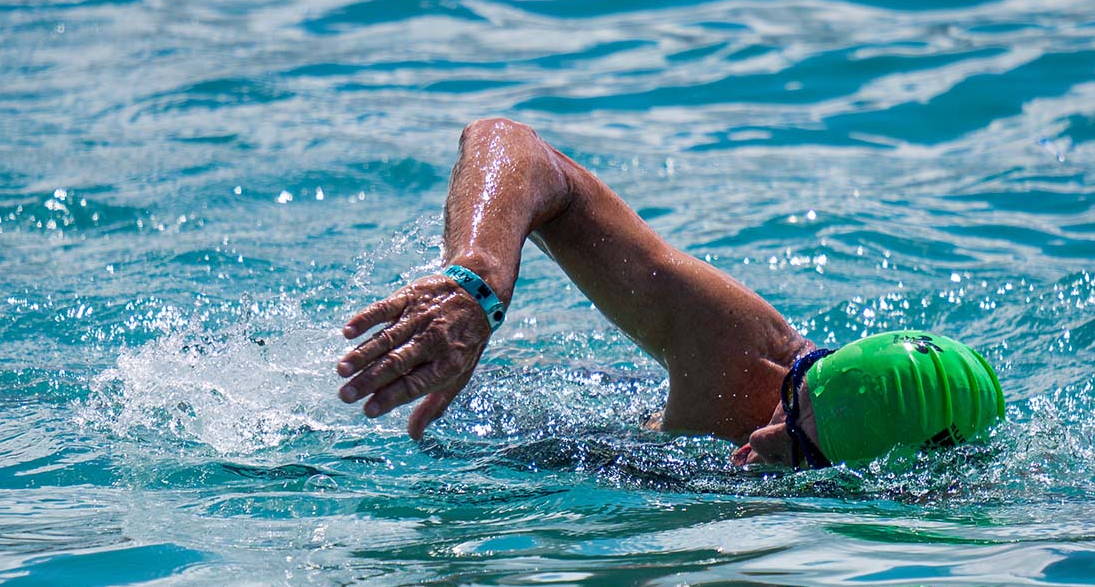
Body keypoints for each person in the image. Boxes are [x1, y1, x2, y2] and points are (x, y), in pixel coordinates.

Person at [336, 118, 1004, 469]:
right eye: (794, 397)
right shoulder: (741, 360)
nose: (763, 436)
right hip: (470, 412)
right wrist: (475, 282)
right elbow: (511, 146)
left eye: (801, 446)